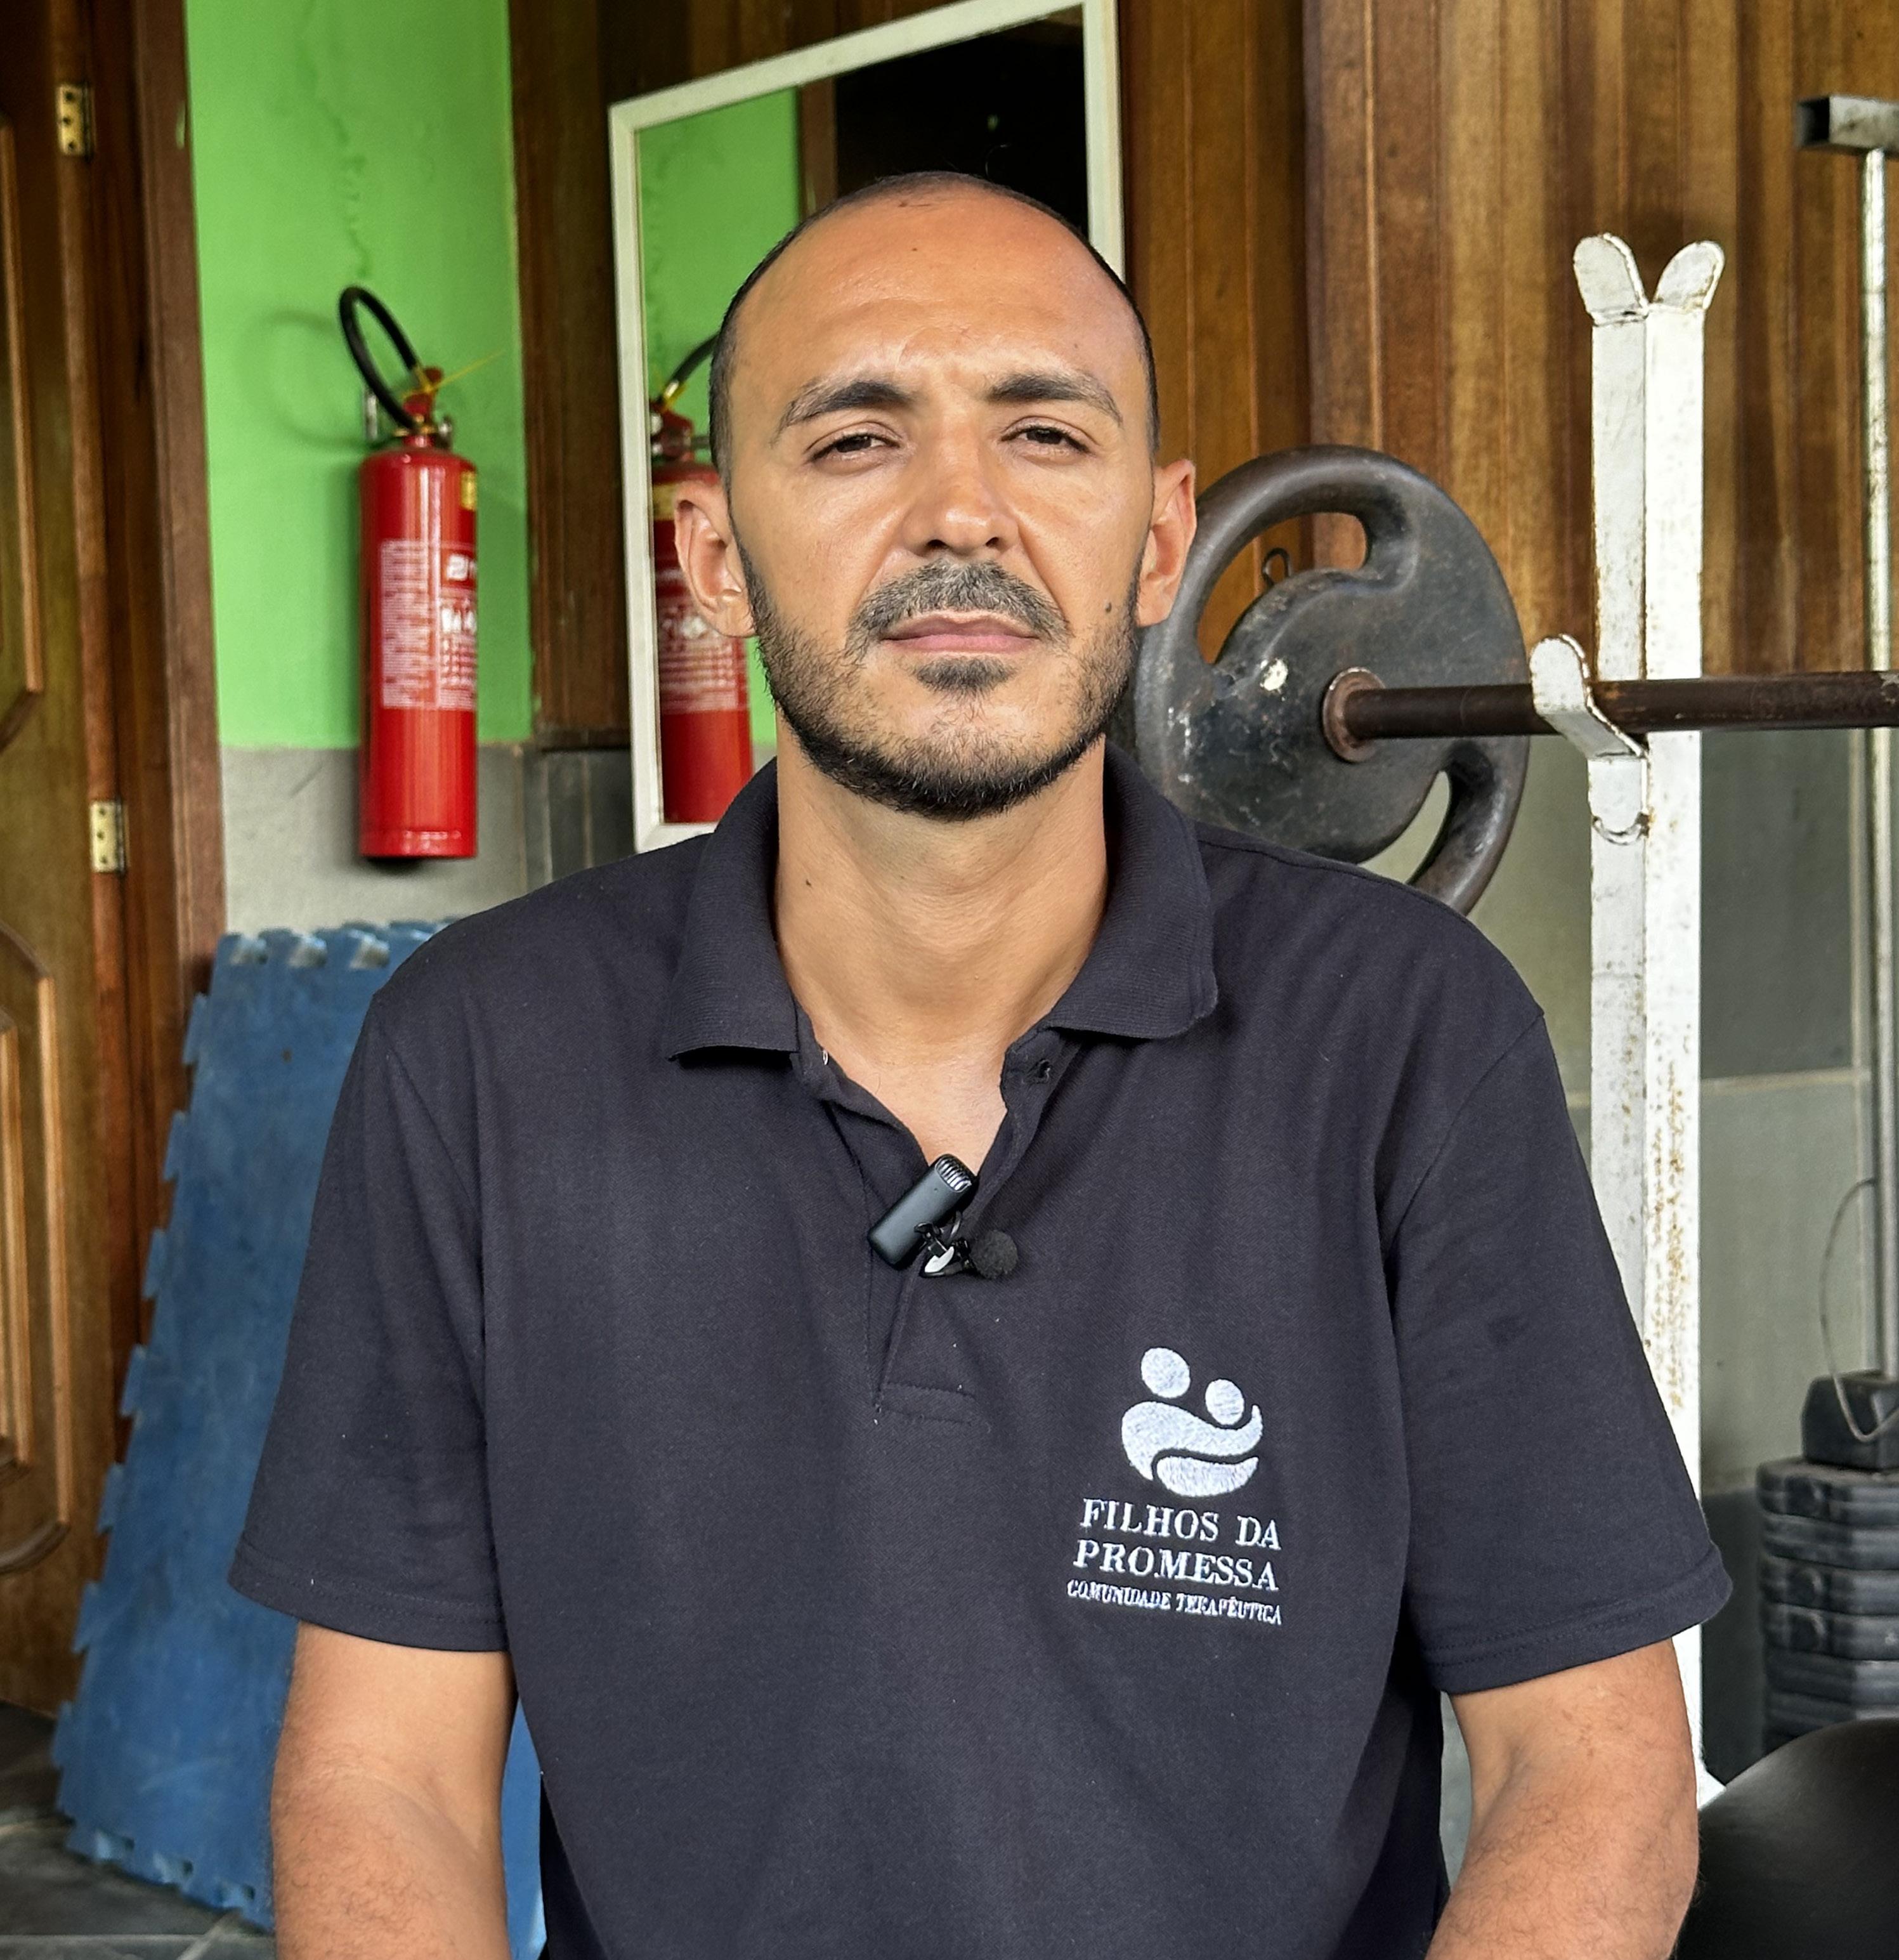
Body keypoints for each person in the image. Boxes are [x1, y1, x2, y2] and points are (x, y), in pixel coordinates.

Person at [236, 172, 1729, 1959]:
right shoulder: (480, 1056)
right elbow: (383, 1776)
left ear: (1161, 542)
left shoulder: (1408, 1038)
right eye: (855, 440)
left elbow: (1590, 1765)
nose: (962, 511)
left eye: (1045, 433)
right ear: (713, 556)